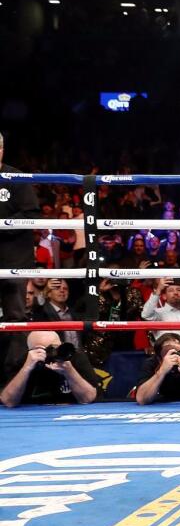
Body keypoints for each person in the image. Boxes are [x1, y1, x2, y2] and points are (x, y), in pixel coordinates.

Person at [1, 331, 101, 407]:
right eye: (44, 349)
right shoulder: (23, 361)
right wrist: (26, 368)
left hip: (70, 413)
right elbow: (8, 401)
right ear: (31, 351)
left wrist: (69, 372)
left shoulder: (72, 357)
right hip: (33, 415)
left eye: (55, 348)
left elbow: (88, 398)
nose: (52, 353)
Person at [0, 131, 38, 325]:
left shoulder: (15, 178)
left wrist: (2, 227)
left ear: (2, 150)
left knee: (15, 315)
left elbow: (31, 213)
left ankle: (18, 357)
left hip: (14, 259)